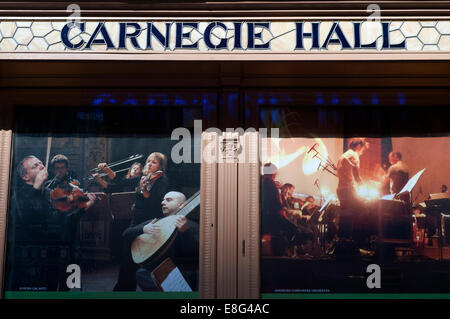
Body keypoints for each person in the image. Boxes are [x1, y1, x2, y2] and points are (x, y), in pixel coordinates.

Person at [8, 155, 95, 291]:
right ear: (25, 176)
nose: (42, 166)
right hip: (30, 261)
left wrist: (84, 206)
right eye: (35, 166)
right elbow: (25, 218)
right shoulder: (17, 196)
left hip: (52, 258)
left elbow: (63, 222)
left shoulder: (50, 193)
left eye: (41, 163)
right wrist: (36, 188)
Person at [113, 152, 169, 291]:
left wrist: (144, 190)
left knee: (147, 263)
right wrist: (107, 171)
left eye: (154, 162)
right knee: (127, 261)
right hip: (136, 222)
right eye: (148, 161)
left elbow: (156, 205)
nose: (149, 164)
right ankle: (124, 290)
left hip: (151, 223)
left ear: (161, 166)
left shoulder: (162, 181)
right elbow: (121, 182)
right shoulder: (143, 178)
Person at [123, 191, 199, 291]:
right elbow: (126, 234)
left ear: (181, 205)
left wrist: (186, 232)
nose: (162, 202)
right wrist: (143, 229)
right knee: (142, 273)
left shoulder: (191, 226)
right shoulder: (156, 222)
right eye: (163, 200)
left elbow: (198, 253)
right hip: (158, 270)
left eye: (168, 200)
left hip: (182, 272)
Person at [261, 163, 312, 256]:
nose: (276, 174)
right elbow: (276, 204)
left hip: (267, 216)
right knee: (294, 230)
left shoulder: (263, 181)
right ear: (272, 172)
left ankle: (286, 250)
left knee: (291, 230)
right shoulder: (270, 184)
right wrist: (286, 214)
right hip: (273, 217)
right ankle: (288, 250)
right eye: (275, 172)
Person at [335, 138, 370, 257]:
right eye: (363, 149)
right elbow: (356, 175)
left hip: (340, 190)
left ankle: (343, 243)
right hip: (349, 189)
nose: (362, 152)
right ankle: (358, 244)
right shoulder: (354, 155)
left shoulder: (343, 156)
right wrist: (365, 188)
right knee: (365, 211)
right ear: (359, 146)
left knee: (346, 216)